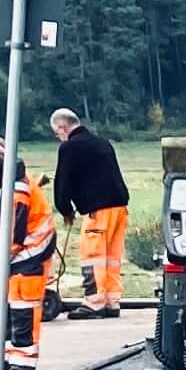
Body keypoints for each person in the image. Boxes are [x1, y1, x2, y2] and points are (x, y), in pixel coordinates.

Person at [0, 159, 59, 370]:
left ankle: (22, 365)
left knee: (22, 309)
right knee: (7, 308)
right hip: (16, 251)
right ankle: (7, 360)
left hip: (31, 251)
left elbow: (12, 238)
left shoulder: (16, 193)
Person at [49, 107, 132, 312]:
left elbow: (63, 182)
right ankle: (112, 301)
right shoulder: (102, 142)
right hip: (120, 207)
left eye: (57, 133)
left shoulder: (70, 147)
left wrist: (65, 209)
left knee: (93, 256)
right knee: (112, 257)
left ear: (62, 127)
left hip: (98, 210)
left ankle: (94, 302)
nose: (58, 137)